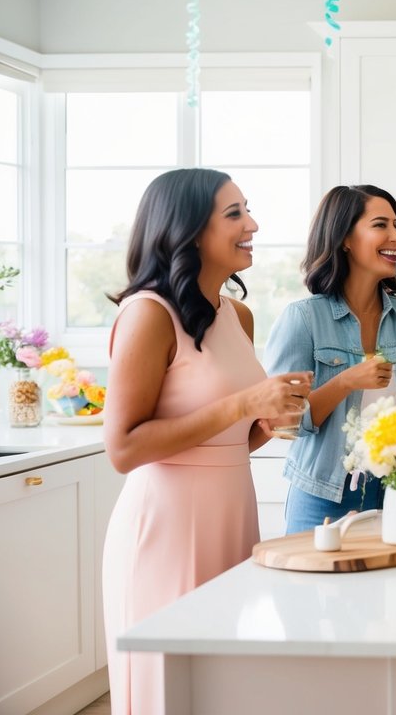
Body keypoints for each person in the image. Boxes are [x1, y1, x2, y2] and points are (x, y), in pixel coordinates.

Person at [102, 168, 312, 715]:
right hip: (165, 527)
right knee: (167, 687)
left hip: (231, 513)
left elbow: (229, 442)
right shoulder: (149, 313)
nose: (253, 224)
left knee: (221, 686)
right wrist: (244, 404)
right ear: (190, 230)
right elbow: (123, 448)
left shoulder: (236, 313)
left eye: (248, 209)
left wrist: (265, 423)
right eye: (235, 213)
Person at [264, 184, 396, 533]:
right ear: (345, 239)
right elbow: (281, 423)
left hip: (394, 494)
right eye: (380, 225)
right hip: (323, 496)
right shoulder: (303, 319)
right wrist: (346, 381)